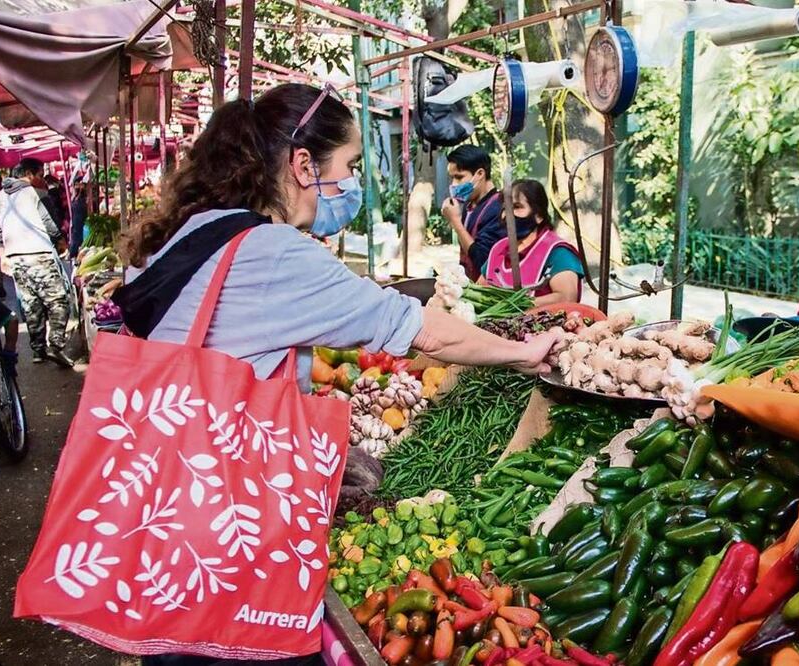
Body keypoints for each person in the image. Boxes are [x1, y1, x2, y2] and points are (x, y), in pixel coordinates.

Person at [115, 84, 558, 665]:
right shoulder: (273, 253)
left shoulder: (198, 228)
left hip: (166, 512)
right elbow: (423, 331)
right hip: (227, 538)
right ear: (303, 165)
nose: (350, 183)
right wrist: (525, 353)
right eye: (347, 166)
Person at [0, 159, 73, 367]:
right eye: (40, 174)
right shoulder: (35, 194)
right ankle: (55, 344)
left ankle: (37, 351)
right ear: (28, 173)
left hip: (16, 258)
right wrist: (61, 242)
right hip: (40, 254)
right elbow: (50, 224)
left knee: (32, 304)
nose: (42, 179)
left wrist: (2, 256)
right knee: (58, 301)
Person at [478, 179, 584, 305]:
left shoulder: (559, 253)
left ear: (538, 215)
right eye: (505, 208)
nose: (508, 214)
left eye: (517, 207)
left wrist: (515, 307)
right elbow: (479, 289)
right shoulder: (498, 249)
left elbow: (566, 298)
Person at [439, 145, 506, 281]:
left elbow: (483, 260)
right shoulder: (469, 205)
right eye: (452, 178)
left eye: (459, 177)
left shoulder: (498, 208)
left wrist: (456, 223)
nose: (454, 184)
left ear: (480, 174)